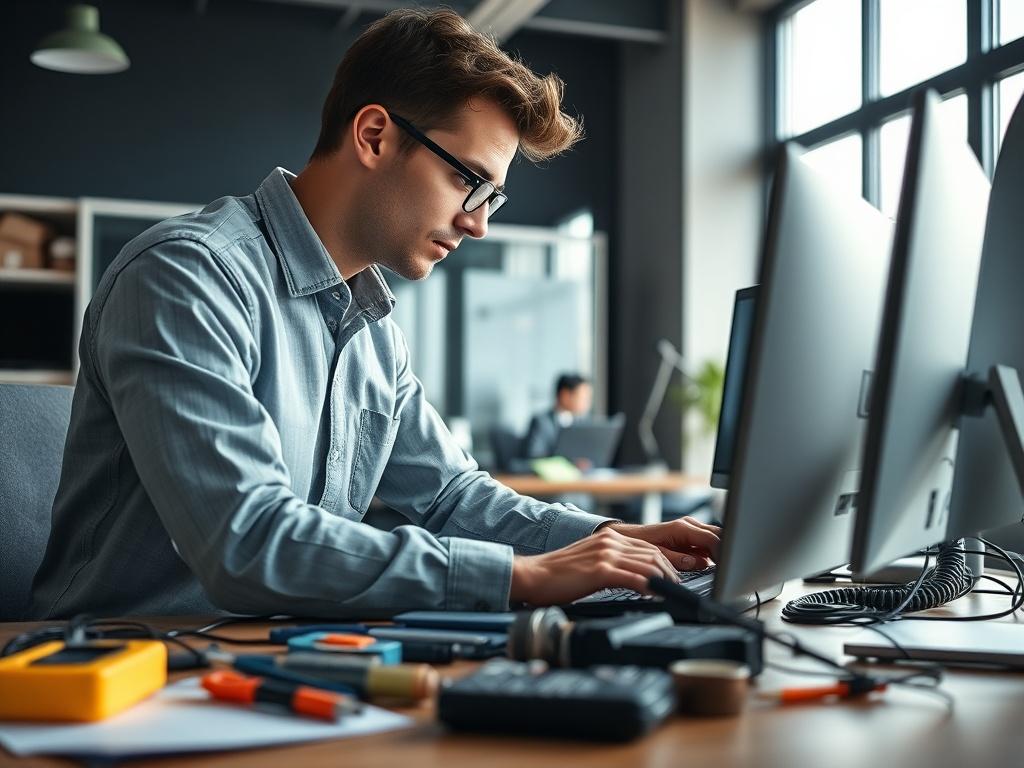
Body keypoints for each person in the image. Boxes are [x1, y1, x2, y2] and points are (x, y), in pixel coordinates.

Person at [31, 9, 718, 620]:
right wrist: (520, 576)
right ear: (374, 136)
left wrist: (609, 541)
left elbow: (452, 497)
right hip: (121, 678)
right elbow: (246, 540)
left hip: (275, 657)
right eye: (467, 181)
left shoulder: (372, 332)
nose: (477, 224)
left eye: (493, 198)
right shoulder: (188, 276)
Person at [524, 373, 593, 460]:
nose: (587, 403)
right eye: (583, 398)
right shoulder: (541, 422)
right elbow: (534, 456)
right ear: (565, 396)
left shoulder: (582, 423)